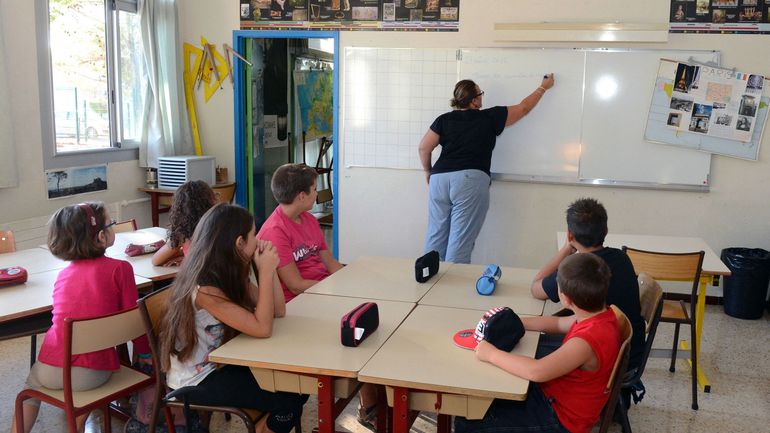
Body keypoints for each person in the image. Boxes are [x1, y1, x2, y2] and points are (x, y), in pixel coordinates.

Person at [159, 204, 306, 433]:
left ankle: (263, 426)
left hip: (223, 363)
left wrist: (271, 268)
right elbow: (263, 327)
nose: (257, 241)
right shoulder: (206, 289)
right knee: (290, 396)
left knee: (298, 381)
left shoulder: (228, 270)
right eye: (253, 235)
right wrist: (265, 272)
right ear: (238, 243)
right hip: (198, 379)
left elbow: (278, 311)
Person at [13, 202, 150, 433]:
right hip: (93, 373)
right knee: (82, 391)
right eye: (111, 224)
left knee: (29, 390)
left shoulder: (63, 275)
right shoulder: (121, 269)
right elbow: (133, 324)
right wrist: (146, 354)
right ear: (101, 237)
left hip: (49, 368)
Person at [455, 253, 622, 433]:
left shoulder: (585, 342)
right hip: (555, 396)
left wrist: (491, 354)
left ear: (565, 299)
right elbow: (557, 323)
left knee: (467, 420)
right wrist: (516, 322)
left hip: (561, 419)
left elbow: (537, 371)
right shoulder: (598, 316)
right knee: (488, 392)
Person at [419, 75, 555, 263]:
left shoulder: (443, 120)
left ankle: (428, 279)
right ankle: (452, 291)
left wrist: (428, 171)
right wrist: (543, 88)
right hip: (469, 180)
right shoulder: (490, 116)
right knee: (460, 241)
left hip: (439, 179)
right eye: (480, 94)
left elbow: (424, 147)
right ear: (474, 100)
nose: (482, 97)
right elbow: (523, 108)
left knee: (436, 234)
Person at [530, 197, 645, 372]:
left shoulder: (578, 270)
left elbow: (536, 288)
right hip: (629, 353)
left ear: (570, 235)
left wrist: (566, 249)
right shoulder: (622, 258)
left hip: (604, 357)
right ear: (605, 230)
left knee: (528, 349)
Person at [257, 163, 343, 303]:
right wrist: (333, 290)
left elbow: (330, 262)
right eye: (314, 189)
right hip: (299, 300)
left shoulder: (309, 219)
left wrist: (348, 282)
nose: (316, 193)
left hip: (322, 289)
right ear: (302, 196)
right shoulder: (274, 232)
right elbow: (295, 286)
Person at [152, 180, 217, 267]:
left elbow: (155, 260)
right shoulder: (219, 224)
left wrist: (186, 256)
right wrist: (187, 257)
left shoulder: (183, 234)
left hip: (199, 278)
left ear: (180, 209)